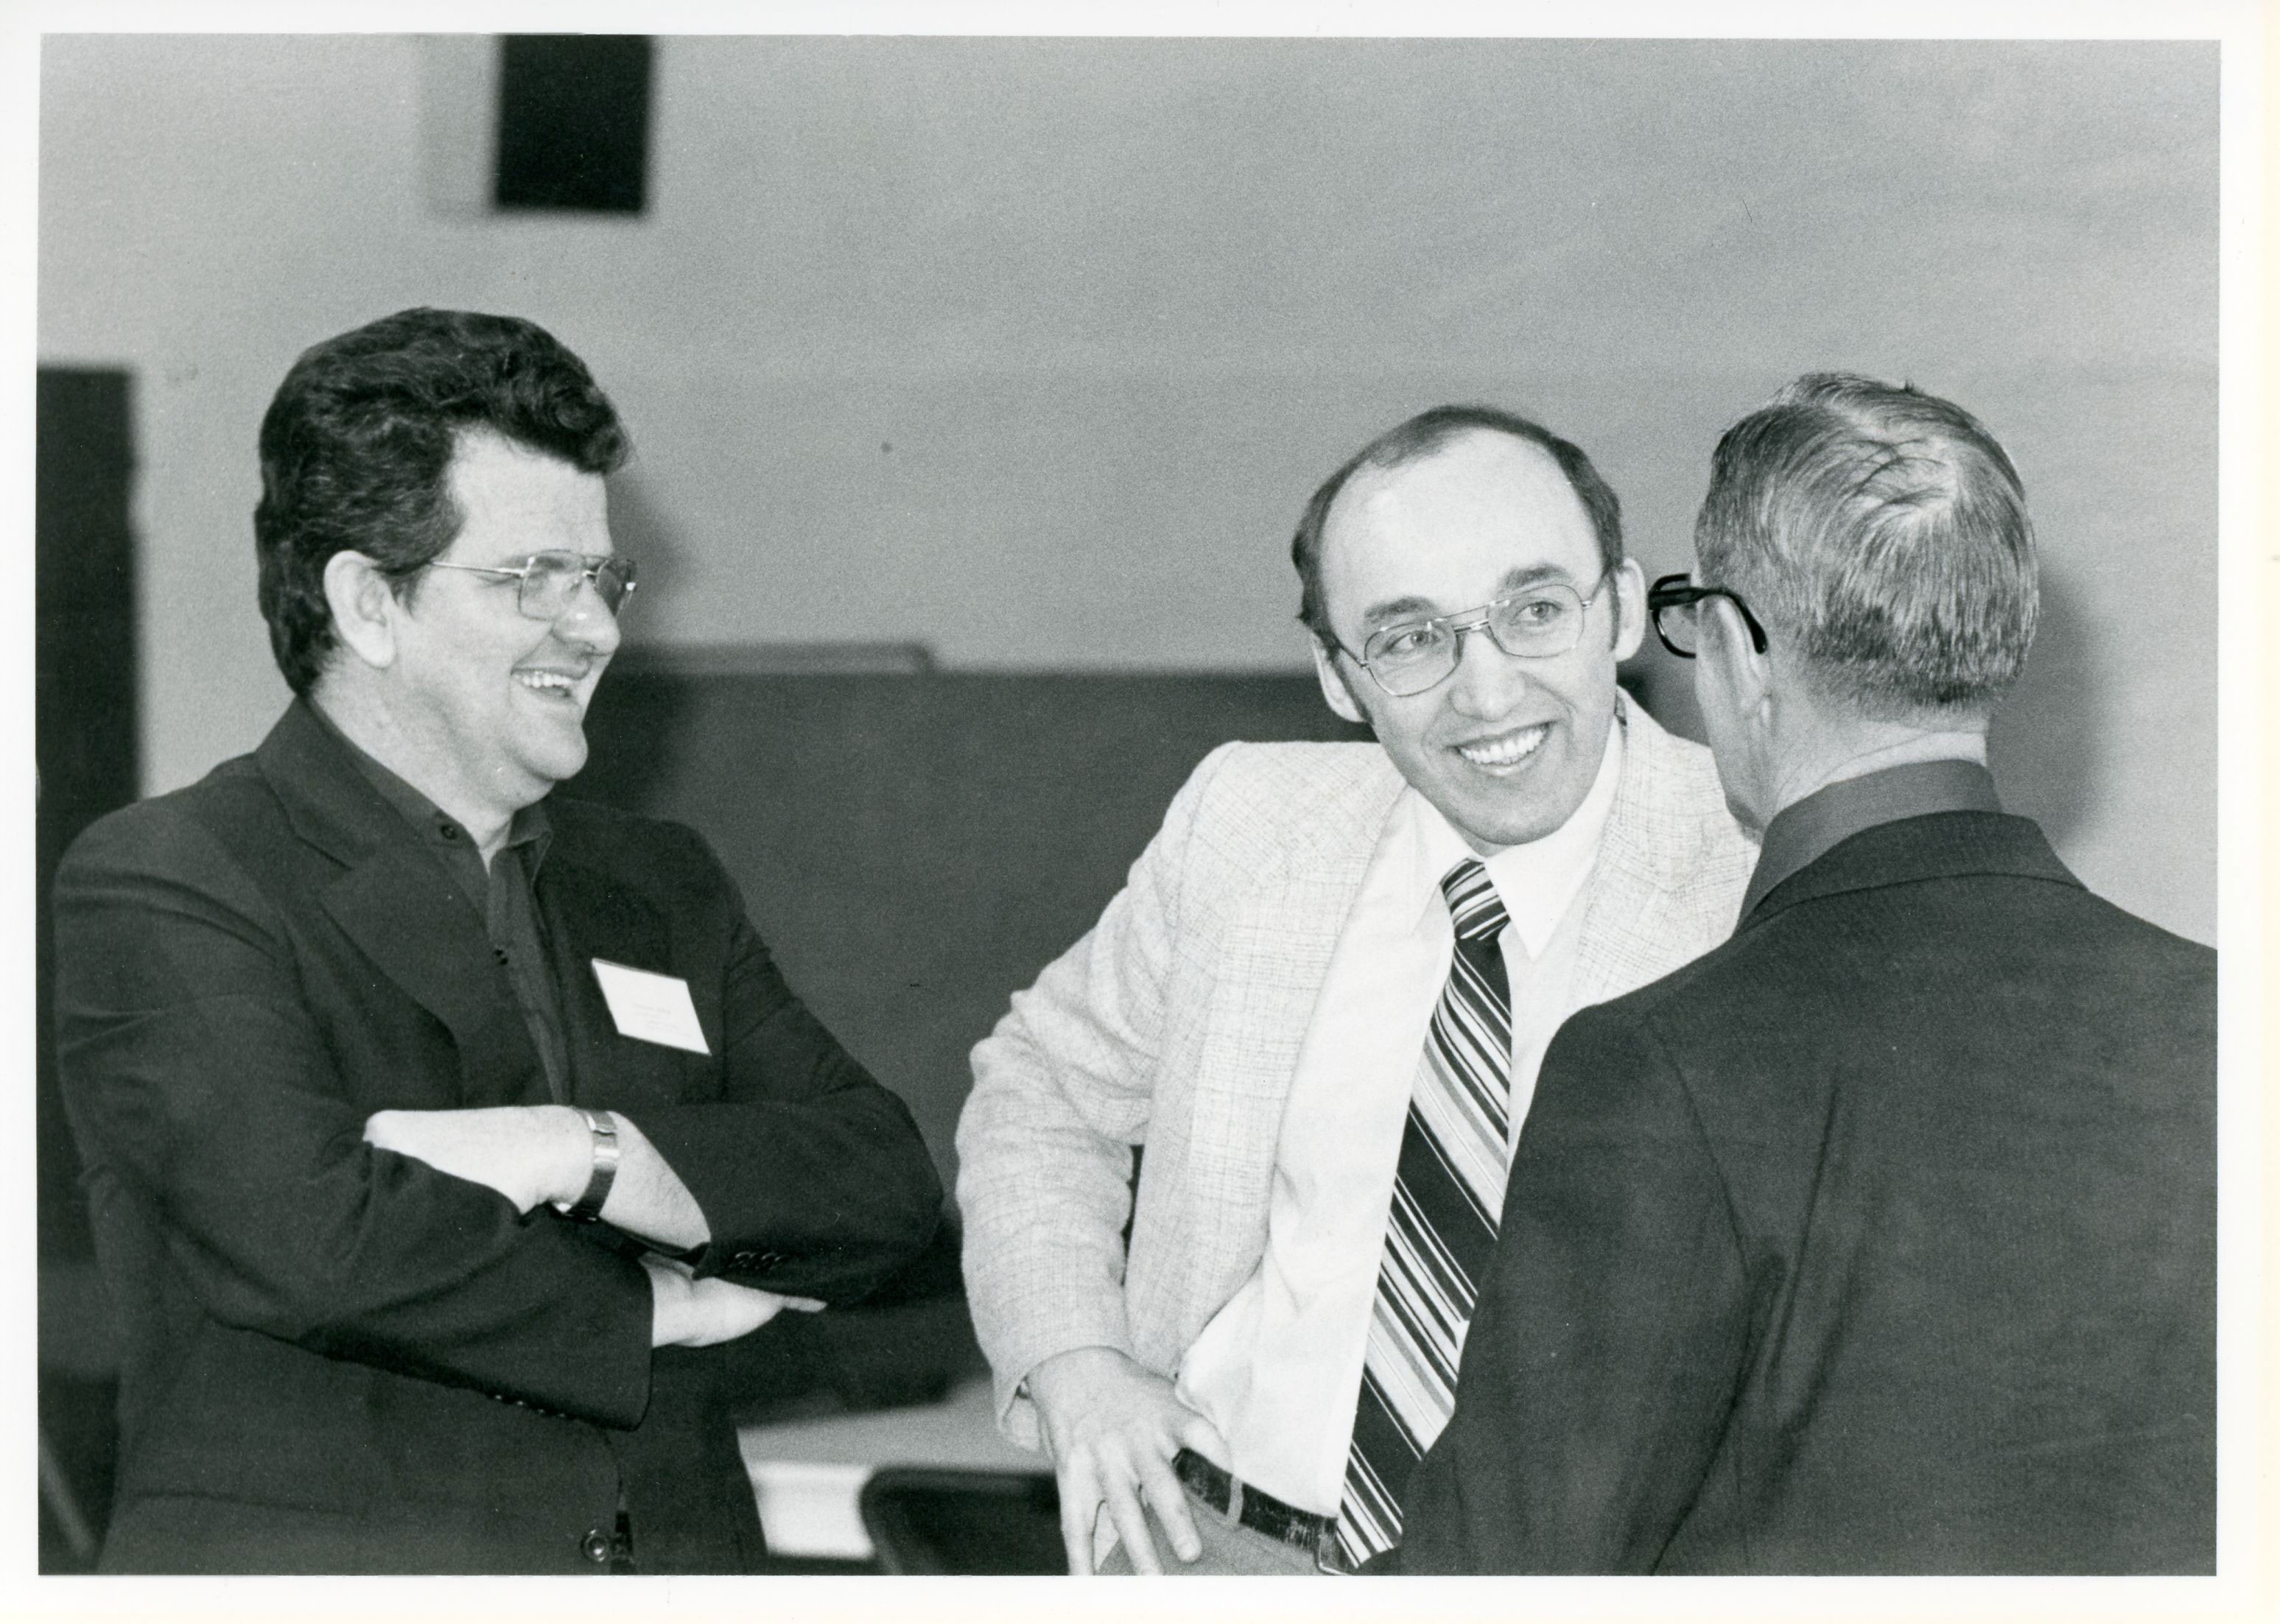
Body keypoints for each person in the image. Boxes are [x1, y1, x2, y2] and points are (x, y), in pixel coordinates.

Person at [53, 307, 943, 1574]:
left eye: (604, 578)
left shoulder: (663, 883)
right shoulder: (175, 876)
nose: (598, 629)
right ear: (369, 602)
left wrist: (582, 1153)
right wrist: (656, 1306)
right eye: (538, 579)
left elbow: (883, 1184)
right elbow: (321, 1245)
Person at [1391, 373, 2217, 1573]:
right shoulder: (2228, 1023)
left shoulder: (1660, 1067)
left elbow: (1498, 1576)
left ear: (1732, 647)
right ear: (2004, 638)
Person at [956, 404, 1758, 1573]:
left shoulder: (1756, 874)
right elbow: (1038, 1090)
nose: (1488, 694)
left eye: (1535, 612)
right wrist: (1075, 1364)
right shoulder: (1245, 824)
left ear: (1626, 610)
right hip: (1211, 1548)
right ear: (1339, 675)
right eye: (1411, 638)